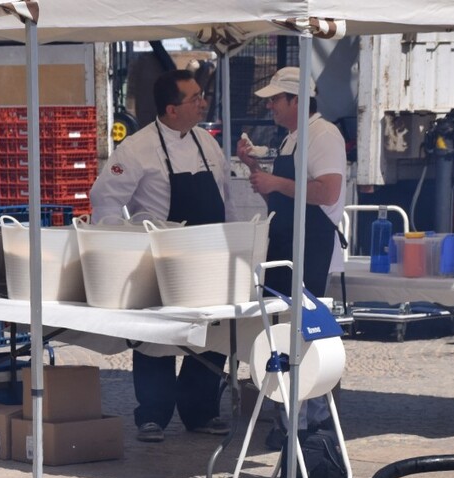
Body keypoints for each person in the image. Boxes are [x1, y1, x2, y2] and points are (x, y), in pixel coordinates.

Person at [90, 68, 235, 444]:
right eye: (195, 98)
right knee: (155, 339)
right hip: (160, 260)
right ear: (172, 109)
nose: (203, 103)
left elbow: (226, 197)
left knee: (212, 335)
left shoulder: (208, 143)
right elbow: (105, 199)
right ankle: (152, 416)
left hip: (210, 257)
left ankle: (200, 412)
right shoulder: (136, 148)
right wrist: (123, 245)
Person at [236, 66, 347, 298]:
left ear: (296, 100)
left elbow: (328, 193)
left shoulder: (323, 134)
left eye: (275, 99)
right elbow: (279, 201)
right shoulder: (290, 138)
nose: (269, 106)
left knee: (302, 319)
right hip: (284, 249)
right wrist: (254, 168)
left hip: (311, 253)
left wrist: (276, 182)